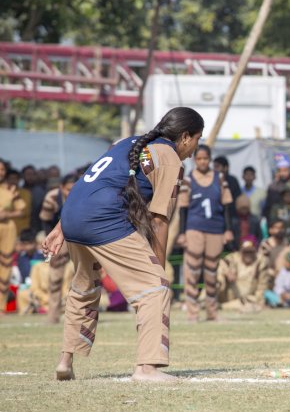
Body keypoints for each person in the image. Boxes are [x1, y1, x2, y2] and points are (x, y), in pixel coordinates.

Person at [42, 106, 204, 382]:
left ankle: (65, 361)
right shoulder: (168, 157)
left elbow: (89, 181)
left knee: (83, 287)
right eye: (198, 139)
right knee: (156, 288)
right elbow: (159, 221)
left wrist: (61, 226)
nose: (196, 148)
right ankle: (147, 369)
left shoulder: (128, 143)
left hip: (73, 215)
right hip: (103, 219)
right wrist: (158, 269)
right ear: (186, 137)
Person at [176, 144, 234, 322]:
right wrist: (182, 232)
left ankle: (212, 311)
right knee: (192, 271)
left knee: (211, 272)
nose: (202, 161)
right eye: (199, 158)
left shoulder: (220, 178)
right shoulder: (188, 180)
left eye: (205, 158)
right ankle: (192, 312)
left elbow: (226, 207)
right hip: (194, 228)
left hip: (215, 228)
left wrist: (228, 229)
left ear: (210, 159)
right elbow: (183, 209)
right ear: (195, 160)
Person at [39, 173, 77, 323]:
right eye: (68, 190)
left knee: (85, 275)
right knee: (55, 277)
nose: (71, 193)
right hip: (58, 237)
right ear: (61, 188)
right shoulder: (52, 197)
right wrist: (51, 240)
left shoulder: (83, 193)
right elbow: (45, 220)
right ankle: (53, 315)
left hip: (81, 236)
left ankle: (81, 314)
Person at [0, 159, 27, 312]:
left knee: (5, 265)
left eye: (2, 169)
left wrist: (7, 214)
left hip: (7, 227)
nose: (0, 172)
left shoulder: (10, 188)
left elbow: (21, 210)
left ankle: (1, 306)